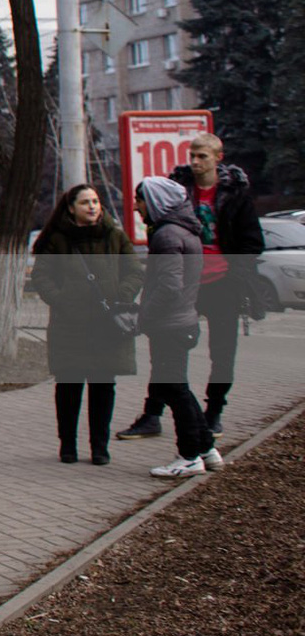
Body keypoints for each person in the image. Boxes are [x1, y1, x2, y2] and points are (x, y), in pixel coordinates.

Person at [120, 134, 265, 439]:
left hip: (222, 283)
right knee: (166, 348)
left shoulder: (236, 194)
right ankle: (152, 414)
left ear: (218, 158)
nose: (196, 162)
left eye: (203, 156)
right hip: (186, 283)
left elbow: (252, 241)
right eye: (193, 155)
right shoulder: (178, 190)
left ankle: (213, 414)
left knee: (223, 353)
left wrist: (236, 274)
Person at [32, 185, 142, 465]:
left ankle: (99, 447)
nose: (92, 206)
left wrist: (122, 295)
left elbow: (134, 272)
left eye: (95, 201)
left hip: (107, 325)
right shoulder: (58, 240)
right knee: (69, 387)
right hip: (70, 325)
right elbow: (42, 277)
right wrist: (62, 300)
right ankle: (68, 446)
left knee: (103, 387)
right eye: (85, 202)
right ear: (71, 208)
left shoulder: (115, 236)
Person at [129, 178, 221, 478]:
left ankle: (189, 455)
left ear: (156, 202)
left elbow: (169, 286)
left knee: (175, 390)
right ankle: (206, 447)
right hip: (182, 322)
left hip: (169, 325)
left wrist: (143, 318)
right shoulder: (184, 230)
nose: (136, 207)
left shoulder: (166, 236)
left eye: (139, 200)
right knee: (177, 388)